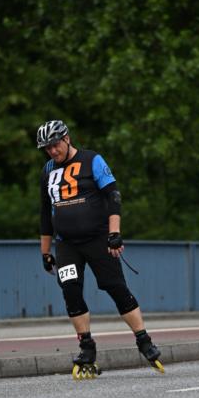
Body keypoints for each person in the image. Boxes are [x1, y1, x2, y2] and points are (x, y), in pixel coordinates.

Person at [37, 119, 163, 377]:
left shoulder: (92, 159)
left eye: (55, 145)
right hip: (67, 244)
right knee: (70, 291)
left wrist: (114, 233)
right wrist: (45, 252)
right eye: (47, 148)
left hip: (97, 239)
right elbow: (44, 214)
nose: (52, 151)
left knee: (115, 287)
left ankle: (144, 340)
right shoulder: (48, 170)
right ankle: (86, 346)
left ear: (67, 138)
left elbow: (113, 196)